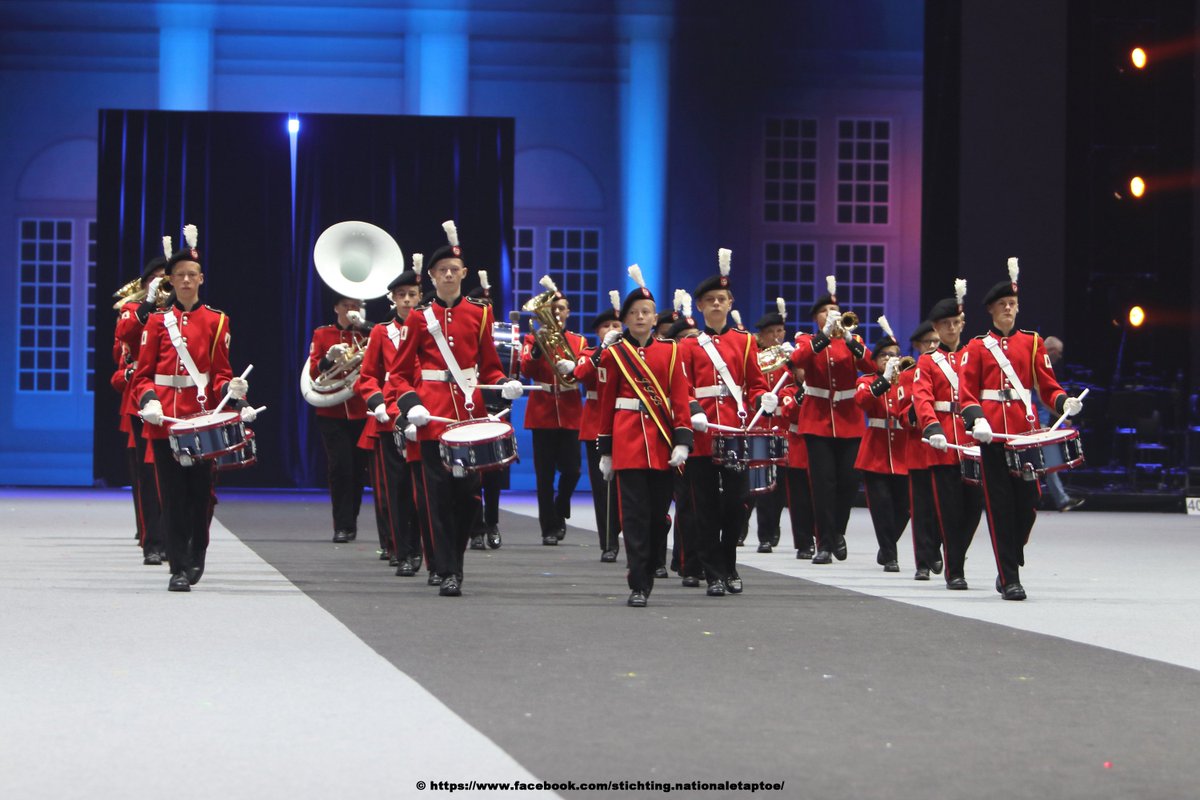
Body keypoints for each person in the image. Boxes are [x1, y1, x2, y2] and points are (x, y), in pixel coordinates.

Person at [390, 221, 524, 597]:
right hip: (432, 417)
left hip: (469, 417)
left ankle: (454, 561)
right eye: (442, 271)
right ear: (432, 277)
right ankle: (448, 570)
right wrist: (412, 405)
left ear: (464, 275)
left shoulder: (480, 315)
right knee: (436, 497)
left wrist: (503, 384)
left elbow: (490, 365)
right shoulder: (418, 318)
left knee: (467, 498)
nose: (449, 275)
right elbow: (399, 374)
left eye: (454, 270)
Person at [132, 224, 251, 592]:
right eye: (180, 275)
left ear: (201, 279)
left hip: (201, 422)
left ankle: (196, 551)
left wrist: (234, 392)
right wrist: (148, 400)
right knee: (171, 495)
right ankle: (178, 567)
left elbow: (219, 374)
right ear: (170, 280)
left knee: (201, 495)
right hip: (164, 420)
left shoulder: (217, 321)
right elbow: (142, 375)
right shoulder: (156, 322)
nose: (186, 280)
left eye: (192, 275)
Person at [958, 258, 1083, 600]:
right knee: (999, 505)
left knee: (1029, 503)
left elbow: (1046, 386)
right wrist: (976, 419)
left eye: (1013, 304)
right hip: (993, 435)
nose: (1010, 310)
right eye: (1004, 305)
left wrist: (1063, 403)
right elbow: (966, 392)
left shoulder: (1031, 343)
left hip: (1025, 435)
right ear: (992, 311)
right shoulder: (976, 347)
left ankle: (1011, 552)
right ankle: (1009, 576)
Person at [596, 265, 693, 608]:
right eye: (634, 313)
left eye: (646, 312)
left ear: (655, 318)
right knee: (633, 517)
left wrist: (683, 440)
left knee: (656, 518)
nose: (640, 317)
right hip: (626, 443)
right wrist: (605, 449)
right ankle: (638, 582)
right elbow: (606, 404)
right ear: (625, 319)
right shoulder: (614, 355)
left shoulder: (670, 352)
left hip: (662, 442)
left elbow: (680, 398)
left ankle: (649, 566)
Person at [678, 250, 773, 595]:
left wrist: (764, 397)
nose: (717, 304)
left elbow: (756, 381)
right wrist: (693, 409)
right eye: (710, 300)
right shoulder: (688, 345)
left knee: (736, 504)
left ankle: (730, 565)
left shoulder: (745, 341)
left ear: (730, 302)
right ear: (700, 307)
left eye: (722, 299)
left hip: (736, 432)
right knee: (703, 507)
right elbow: (682, 385)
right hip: (703, 434)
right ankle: (713, 572)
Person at [788, 276, 874, 563]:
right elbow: (798, 360)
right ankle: (823, 542)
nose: (830, 316)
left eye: (833, 312)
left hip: (849, 419)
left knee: (849, 481)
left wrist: (849, 339)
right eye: (824, 312)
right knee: (823, 483)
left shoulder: (855, 340)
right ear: (816, 317)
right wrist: (823, 335)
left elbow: (871, 365)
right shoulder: (808, 340)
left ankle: (838, 531)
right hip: (817, 418)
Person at [356, 256, 424, 575]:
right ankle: (402, 550)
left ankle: (426, 549)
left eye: (412, 294)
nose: (407, 300)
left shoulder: (430, 329)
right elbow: (367, 376)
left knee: (423, 490)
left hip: (421, 416)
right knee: (395, 492)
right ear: (393, 299)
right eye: (401, 295)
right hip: (388, 419)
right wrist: (377, 402)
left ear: (420, 296)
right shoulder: (381, 333)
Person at [914, 283, 984, 589]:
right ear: (936, 328)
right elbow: (922, 398)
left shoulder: (975, 354)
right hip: (945, 443)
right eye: (946, 324)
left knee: (973, 510)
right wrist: (932, 428)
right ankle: (955, 570)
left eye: (956, 323)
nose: (952, 328)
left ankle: (954, 553)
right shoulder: (928, 361)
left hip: (973, 441)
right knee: (951, 510)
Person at [112, 246, 168, 565]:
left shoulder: (181, 309)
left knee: (176, 474)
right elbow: (125, 335)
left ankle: (175, 536)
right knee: (147, 473)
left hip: (178, 398)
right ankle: (153, 542)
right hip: (142, 399)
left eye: (166, 280)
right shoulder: (134, 308)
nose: (163, 285)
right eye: (156, 280)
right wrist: (148, 302)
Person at [520, 277, 587, 545]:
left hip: (570, 411)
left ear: (569, 312)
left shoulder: (579, 341)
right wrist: (537, 350)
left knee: (572, 470)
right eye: (554, 308)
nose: (558, 313)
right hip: (543, 412)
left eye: (562, 308)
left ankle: (561, 506)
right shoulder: (532, 337)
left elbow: (584, 373)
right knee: (544, 476)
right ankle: (549, 527)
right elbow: (526, 370)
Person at [308, 294, 371, 545]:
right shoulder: (323, 335)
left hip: (361, 409)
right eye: (346, 305)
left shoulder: (369, 335)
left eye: (355, 305)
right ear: (336, 307)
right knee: (340, 467)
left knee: (358, 469)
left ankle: (351, 519)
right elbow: (314, 371)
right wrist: (329, 359)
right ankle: (342, 525)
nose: (351, 310)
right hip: (331, 411)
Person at [853, 320, 911, 573]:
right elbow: (862, 401)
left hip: (903, 449)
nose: (890, 359)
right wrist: (884, 380)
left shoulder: (906, 380)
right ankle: (890, 554)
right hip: (876, 448)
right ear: (875, 360)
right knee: (882, 506)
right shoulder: (867, 380)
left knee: (905, 507)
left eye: (894, 355)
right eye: (885, 355)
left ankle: (887, 546)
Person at [573, 290, 624, 562]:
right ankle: (608, 542)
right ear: (597, 332)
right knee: (602, 488)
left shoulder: (629, 354)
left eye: (617, 325)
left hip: (625, 424)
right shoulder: (589, 352)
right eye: (607, 326)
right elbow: (581, 374)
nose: (613, 329)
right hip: (595, 426)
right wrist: (604, 348)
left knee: (625, 488)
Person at [750, 299, 792, 554]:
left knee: (782, 485)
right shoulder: (754, 359)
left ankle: (772, 527)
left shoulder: (789, 359)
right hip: (759, 426)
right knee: (760, 483)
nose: (776, 337)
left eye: (779, 331)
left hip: (783, 426)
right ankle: (762, 533)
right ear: (761, 337)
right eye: (770, 333)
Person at [900, 320, 941, 578]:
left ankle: (936, 549)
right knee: (922, 509)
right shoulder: (907, 375)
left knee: (944, 508)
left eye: (937, 342)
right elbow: (901, 413)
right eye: (929, 342)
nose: (933, 346)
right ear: (917, 346)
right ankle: (923, 562)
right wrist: (917, 409)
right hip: (919, 447)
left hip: (945, 446)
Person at [1036, 336, 1084, 511]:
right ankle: (1061, 499)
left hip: (1041, 423)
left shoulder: (1044, 367)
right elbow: (1044, 400)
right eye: (1059, 352)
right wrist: (1062, 414)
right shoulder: (1037, 366)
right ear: (1051, 351)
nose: (1060, 357)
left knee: (1048, 463)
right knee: (1049, 462)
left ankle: (1060, 498)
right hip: (1036, 424)